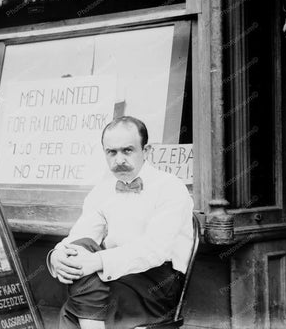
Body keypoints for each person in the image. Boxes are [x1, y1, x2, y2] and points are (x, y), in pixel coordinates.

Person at [47, 116, 194, 329]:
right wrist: (59, 255)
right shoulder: (102, 190)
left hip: (157, 283)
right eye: (112, 152)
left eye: (127, 150)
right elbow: (81, 236)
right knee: (81, 248)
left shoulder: (170, 187)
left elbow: (154, 250)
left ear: (146, 151)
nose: (119, 159)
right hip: (114, 277)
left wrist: (97, 261)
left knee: (75, 309)